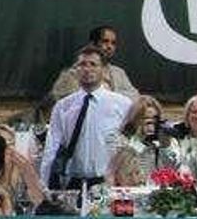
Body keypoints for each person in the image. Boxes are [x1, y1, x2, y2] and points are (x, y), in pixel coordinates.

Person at [40, 45, 132, 190]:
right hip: (72, 182)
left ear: (103, 70)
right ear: (76, 70)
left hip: (106, 182)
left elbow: (130, 146)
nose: (87, 69)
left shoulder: (122, 104)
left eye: (93, 64)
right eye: (82, 64)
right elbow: (52, 147)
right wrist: (45, 185)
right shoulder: (63, 106)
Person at [50, 25, 140, 101]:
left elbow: (135, 97)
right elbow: (65, 100)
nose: (109, 47)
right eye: (105, 41)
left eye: (113, 43)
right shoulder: (73, 74)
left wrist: (108, 95)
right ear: (93, 44)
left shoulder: (119, 73)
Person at [112, 95, 180, 181]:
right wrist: (141, 139)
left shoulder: (164, 139)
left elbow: (173, 168)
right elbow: (124, 165)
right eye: (146, 118)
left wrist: (165, 146)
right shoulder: (121, 139)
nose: (151, 123)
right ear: (136, 119)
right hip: (131, 188)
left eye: (154, 119)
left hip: (156, 188)